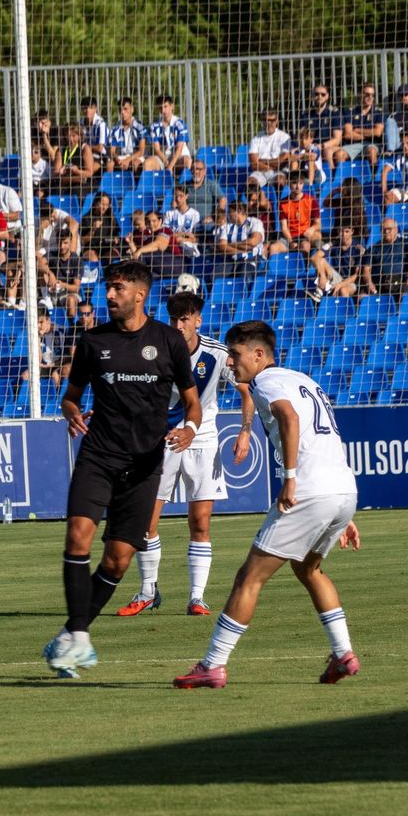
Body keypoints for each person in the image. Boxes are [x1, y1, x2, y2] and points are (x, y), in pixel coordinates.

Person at [173, 319, 360, 690]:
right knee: (310, 571)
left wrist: (290, 477)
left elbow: (289, 417)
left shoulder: (266, 381)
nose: (230, 362)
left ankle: (212, 665)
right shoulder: (305, 380)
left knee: (249, 577)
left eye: (236, 354)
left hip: (309, 490)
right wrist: (341, 511)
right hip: (342, 489)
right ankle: (343, 654)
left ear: (260, 355)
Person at [43, 260, 199, 678]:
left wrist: (189, 428)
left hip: (146, 464)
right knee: (78, 536)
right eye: (108, 289)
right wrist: (72, 411)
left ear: (139, 295)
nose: (108, 295)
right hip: (98, 455)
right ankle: (79, 638)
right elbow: (70, 396)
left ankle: (70, 635)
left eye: (116, 288)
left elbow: (193, 402)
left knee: (118, 561)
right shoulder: (93, 341)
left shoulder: (169, 341)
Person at [118, 291, 252, 618]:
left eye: (186, 318)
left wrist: (245, 431)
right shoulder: (154, 351)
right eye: (175, 318)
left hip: (203, 440)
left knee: (200, 522)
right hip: (161, 440)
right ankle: (148, 591)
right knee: (147, 520)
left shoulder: (218, 354)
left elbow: (246, 391)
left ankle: (197, 598)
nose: (180, 325)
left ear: (197, 320)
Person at [360, 217, 408, 296]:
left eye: (389, 229)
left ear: (396, 230)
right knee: (361, 297)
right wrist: (369, 283)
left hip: (400, 281)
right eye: (384, 229)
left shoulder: (405, 243)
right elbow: (366, 269)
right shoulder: (374, 248)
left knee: (405, 293)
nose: (386, 231)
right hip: (380, 284)